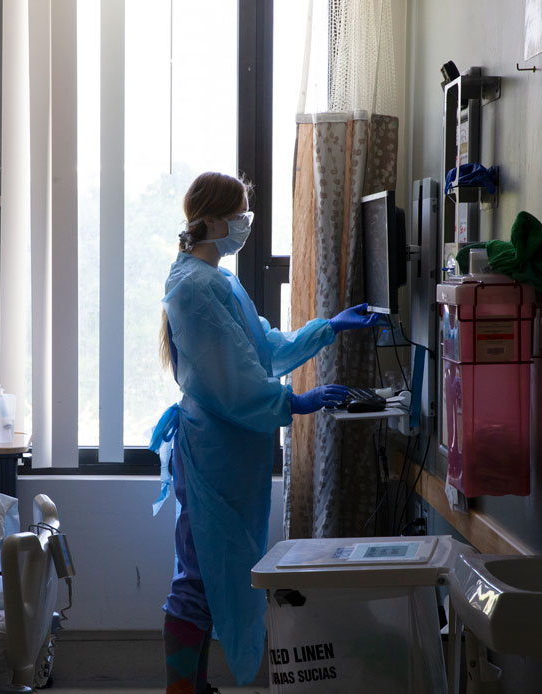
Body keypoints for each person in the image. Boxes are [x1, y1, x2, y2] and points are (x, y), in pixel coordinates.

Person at [149, 171, 379, 692]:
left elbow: (262, 349)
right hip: (214, 456)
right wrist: (294, 401)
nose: (245, 226)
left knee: (215, 574)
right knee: (200, 578)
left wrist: (329, 327)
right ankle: (182, 688)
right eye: (240, 216)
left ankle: (195, 686)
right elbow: (229, 380)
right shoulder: (195, 288)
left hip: (227, 455)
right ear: (210, 220)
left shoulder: (216, 282)